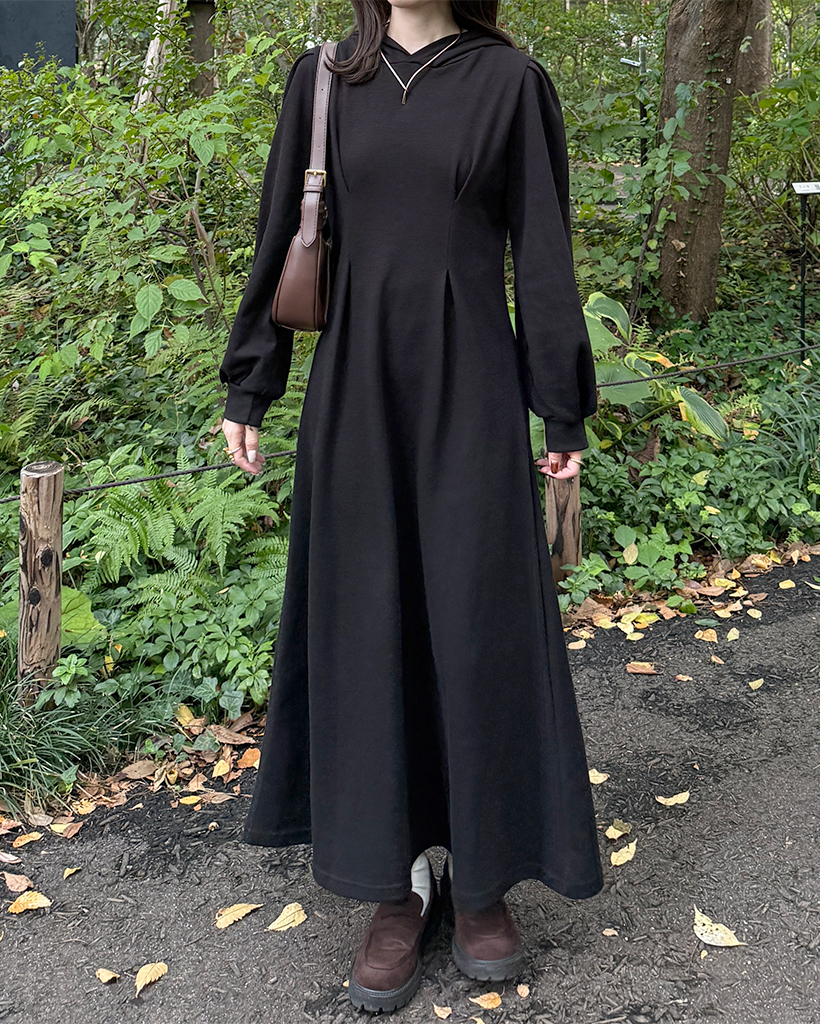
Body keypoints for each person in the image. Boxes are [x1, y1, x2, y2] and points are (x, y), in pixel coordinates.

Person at [218, 0, 604, 1013]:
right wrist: (251, 383)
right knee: (368, 628)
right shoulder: (323, 79)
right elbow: (282, 231)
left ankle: (481, 880)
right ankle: (393, 888)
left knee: (476, 627)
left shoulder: (509, 83)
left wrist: (559, 401)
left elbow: (543, 250)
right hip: (356, 394)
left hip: (472, 389)